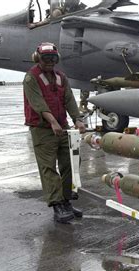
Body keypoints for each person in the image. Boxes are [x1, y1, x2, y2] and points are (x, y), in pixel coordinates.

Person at [23, 42, 86, 223]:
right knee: (48, 167)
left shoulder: (60, 77)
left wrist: (78, 119)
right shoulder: (31, 78)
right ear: (38, 59)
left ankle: (66, 200)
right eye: (46, 58)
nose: (50, 61)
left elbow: (69, 100)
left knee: (71, 162)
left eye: (53, 58)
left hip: (62, 126)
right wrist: (52, 121)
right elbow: (38, 103)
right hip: (42, 129)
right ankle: (57, 205)